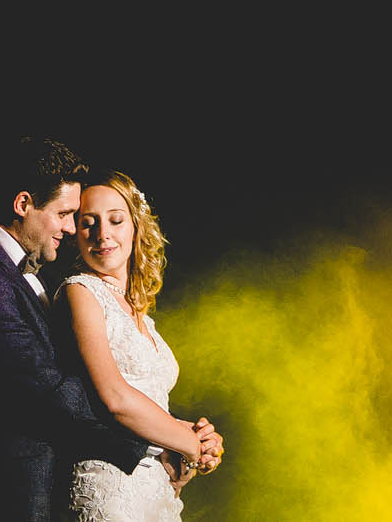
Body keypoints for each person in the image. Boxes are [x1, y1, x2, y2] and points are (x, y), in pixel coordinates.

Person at [0, 137, 173, 522]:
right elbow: (45, 390)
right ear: (24, 204)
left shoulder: (23, 277)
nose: (72, 228)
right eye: (64, 214)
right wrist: (155, 441)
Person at [54, 169, 225, 521]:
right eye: (88, 223)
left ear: (135, 225)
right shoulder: (80, 292)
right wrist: (187, 441)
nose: (103, 234)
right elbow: (115, 398)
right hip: (109, 488)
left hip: (157, 489)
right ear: (76, 235)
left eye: (115, 220)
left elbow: (146, 400)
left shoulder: (142, 315)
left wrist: (197, 441)